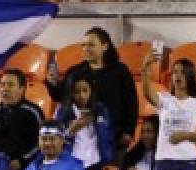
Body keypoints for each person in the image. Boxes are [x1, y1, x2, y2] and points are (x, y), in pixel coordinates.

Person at [45, 27, 138, 155]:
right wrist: (52, 84)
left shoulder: (120, 70)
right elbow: (61, 97)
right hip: (81, 140)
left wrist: (128, 131)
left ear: (105, 46)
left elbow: (131, 103)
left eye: (91, 45)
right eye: (83, 45)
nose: (86, 49)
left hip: (113, 137)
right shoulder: (75, 71)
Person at [54, 74, 114, 170]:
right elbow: (54, 140)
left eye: (85, 90)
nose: (81, 95)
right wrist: (71, 130)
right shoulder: (63, 111)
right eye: (77, 91)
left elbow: (108, 135)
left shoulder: (100, 110)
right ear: (71, 93)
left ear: (91, 91)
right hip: (72, 166)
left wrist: (98, 123)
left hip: (94, 165)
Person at [0, 68, 44, 170]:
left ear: (22, 89)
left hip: (25, 169)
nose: (5, 89)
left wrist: (21, 161)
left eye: (10, 85)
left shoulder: (33, 112)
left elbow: (41, 144)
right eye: (3, 85)